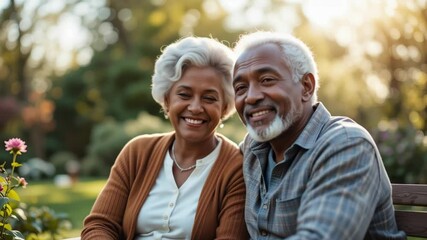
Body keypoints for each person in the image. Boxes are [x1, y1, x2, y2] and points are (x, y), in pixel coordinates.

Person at [232, 31, 406, 240]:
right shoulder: (252, 148)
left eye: (267, 80)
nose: (251, 97)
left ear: (306, 87)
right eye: (241, 87)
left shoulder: (346, 144)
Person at [81, 36, 249, 240]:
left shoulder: (236, 169)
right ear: (167, 100)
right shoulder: (137, 152)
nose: (195, 107)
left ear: (224, 107)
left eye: (209, 98)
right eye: (184, 95)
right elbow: (100, 225)